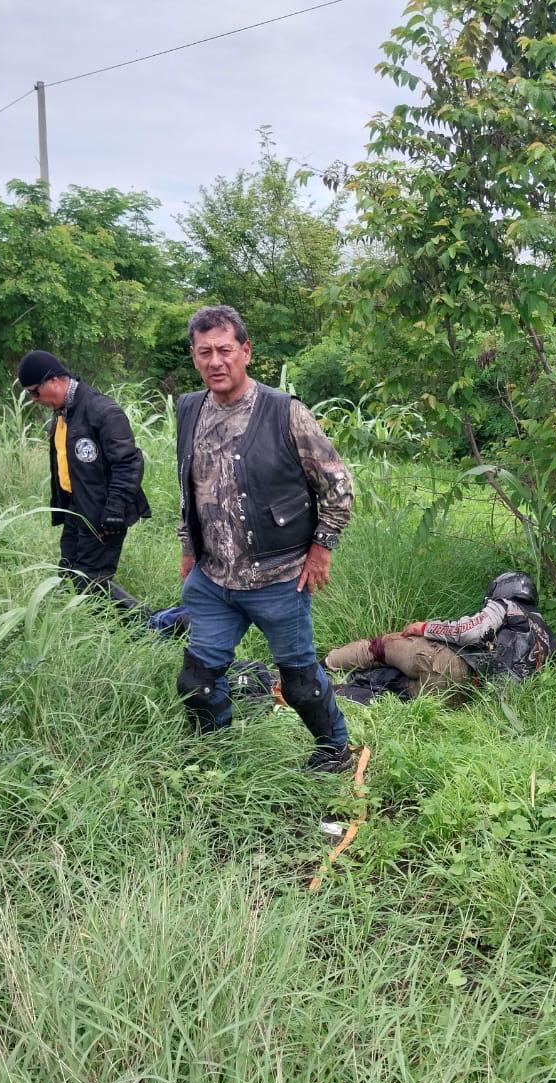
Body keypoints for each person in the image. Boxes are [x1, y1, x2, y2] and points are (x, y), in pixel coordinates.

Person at [175, 305, 355, 773]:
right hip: (214, 580)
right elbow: (188, 488)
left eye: (225, 350)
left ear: (246, 352)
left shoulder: (284, 413)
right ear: (195, 357)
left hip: (279, 578)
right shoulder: (189, 409)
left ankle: (334, 749)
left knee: (299, 683)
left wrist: (321, 550)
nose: (216, 361)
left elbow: (339, 487)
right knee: (197, 680)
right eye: (204, 352)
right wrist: (189, 549)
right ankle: (214, 757)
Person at [17, 350, 150, 610]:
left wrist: (114, 510)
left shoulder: (102, 411)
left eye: (35, 392)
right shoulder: (63, 415)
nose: (34, 399)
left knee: (92, 581)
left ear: (53, 380)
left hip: (103, 514)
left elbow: (128, 463)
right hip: (76, 510)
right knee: (68, 573)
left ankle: (153, 625)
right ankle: (83, 624)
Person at [324, 571, 556, 703]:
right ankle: (338, 692)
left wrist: (425, 627)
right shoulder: (547, 638)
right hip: (461, 696)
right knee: (392, 686)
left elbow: (470, 632)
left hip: (448, 665)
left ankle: (324, 665)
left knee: (382, 646)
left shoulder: (507, 606)